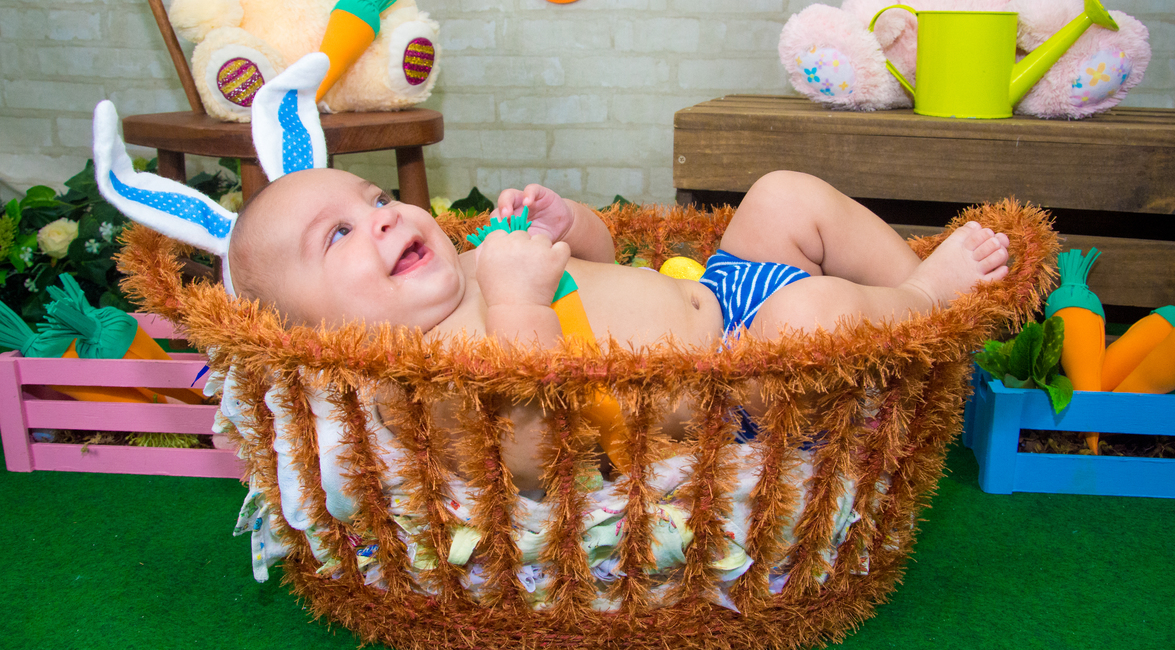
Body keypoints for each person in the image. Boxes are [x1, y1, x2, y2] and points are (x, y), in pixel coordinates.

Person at [227, 167, 1010, 488]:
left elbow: (602, 267)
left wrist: (572, 226)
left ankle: (916, 302)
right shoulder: (422, 380)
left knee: (781, 195)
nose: (383, 215)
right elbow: (535, 456)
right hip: (740, 384)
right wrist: (519, 302)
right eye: (338, 234)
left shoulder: (472, 259)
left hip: (719, 292)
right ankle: (925, 301)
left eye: (374, 197)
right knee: (812, 317)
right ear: (317, 339)